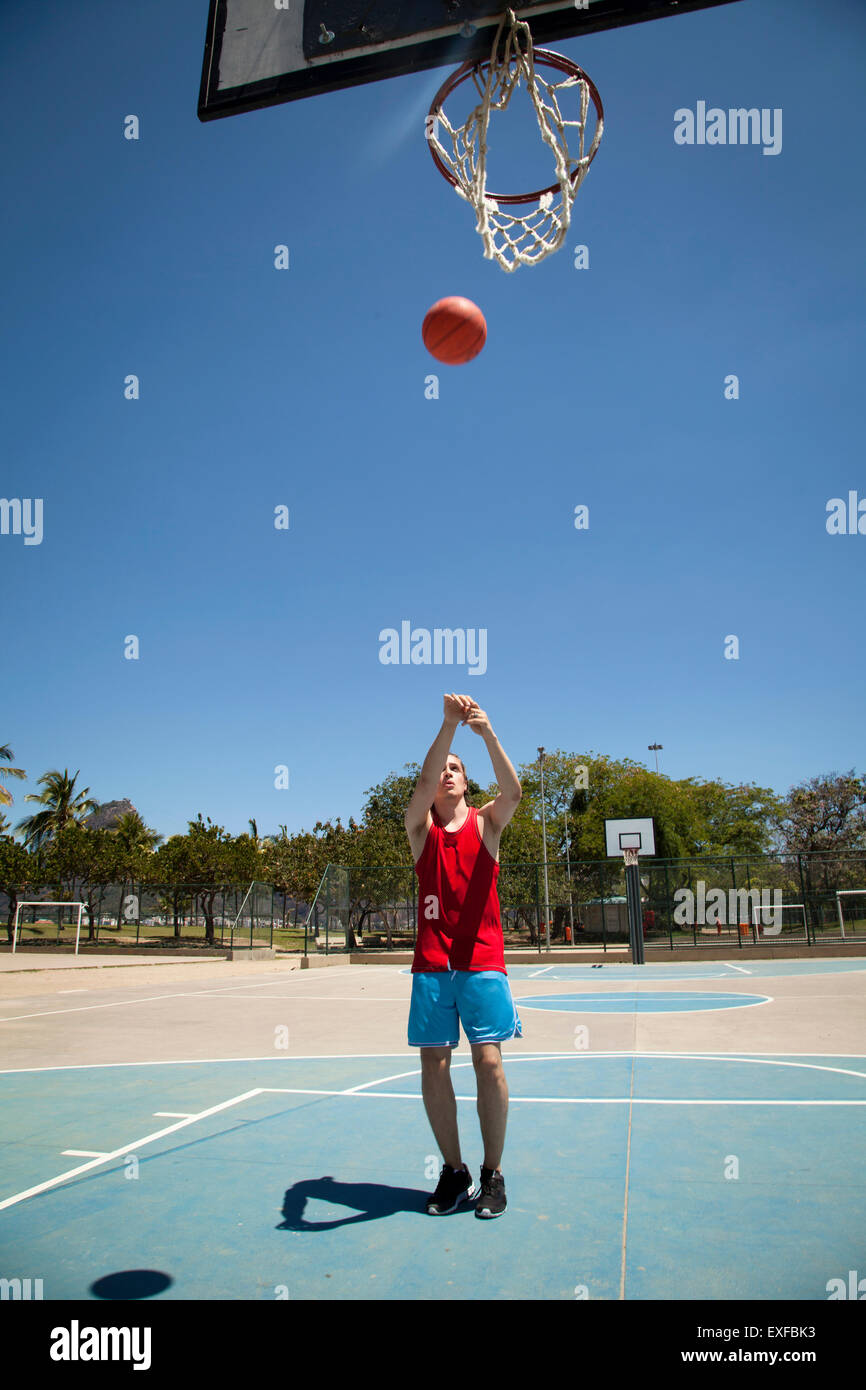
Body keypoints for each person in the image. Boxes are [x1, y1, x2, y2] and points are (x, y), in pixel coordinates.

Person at [404, 693, 523, 1219]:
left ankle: (492, 1174)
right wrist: (447, 728)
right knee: (435, 1063)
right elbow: (424, 785)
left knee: (489, 1061)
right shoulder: (419, 832)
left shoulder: (485, 825)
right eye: (442, 768)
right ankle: (454, 1171)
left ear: (468, 782)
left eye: (456, 769)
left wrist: (486, 733)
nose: (447, 773)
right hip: (433, 966)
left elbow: (514, 791)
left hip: (481, 963)